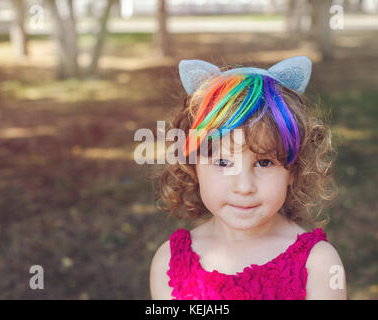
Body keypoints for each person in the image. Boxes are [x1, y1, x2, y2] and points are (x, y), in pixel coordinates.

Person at [149, 56, 347, 300]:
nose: (244, 187)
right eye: (223, 162)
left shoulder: (318, 264)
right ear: (193, 166)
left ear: (293, 171)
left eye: (264, 162)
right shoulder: (170, 263)